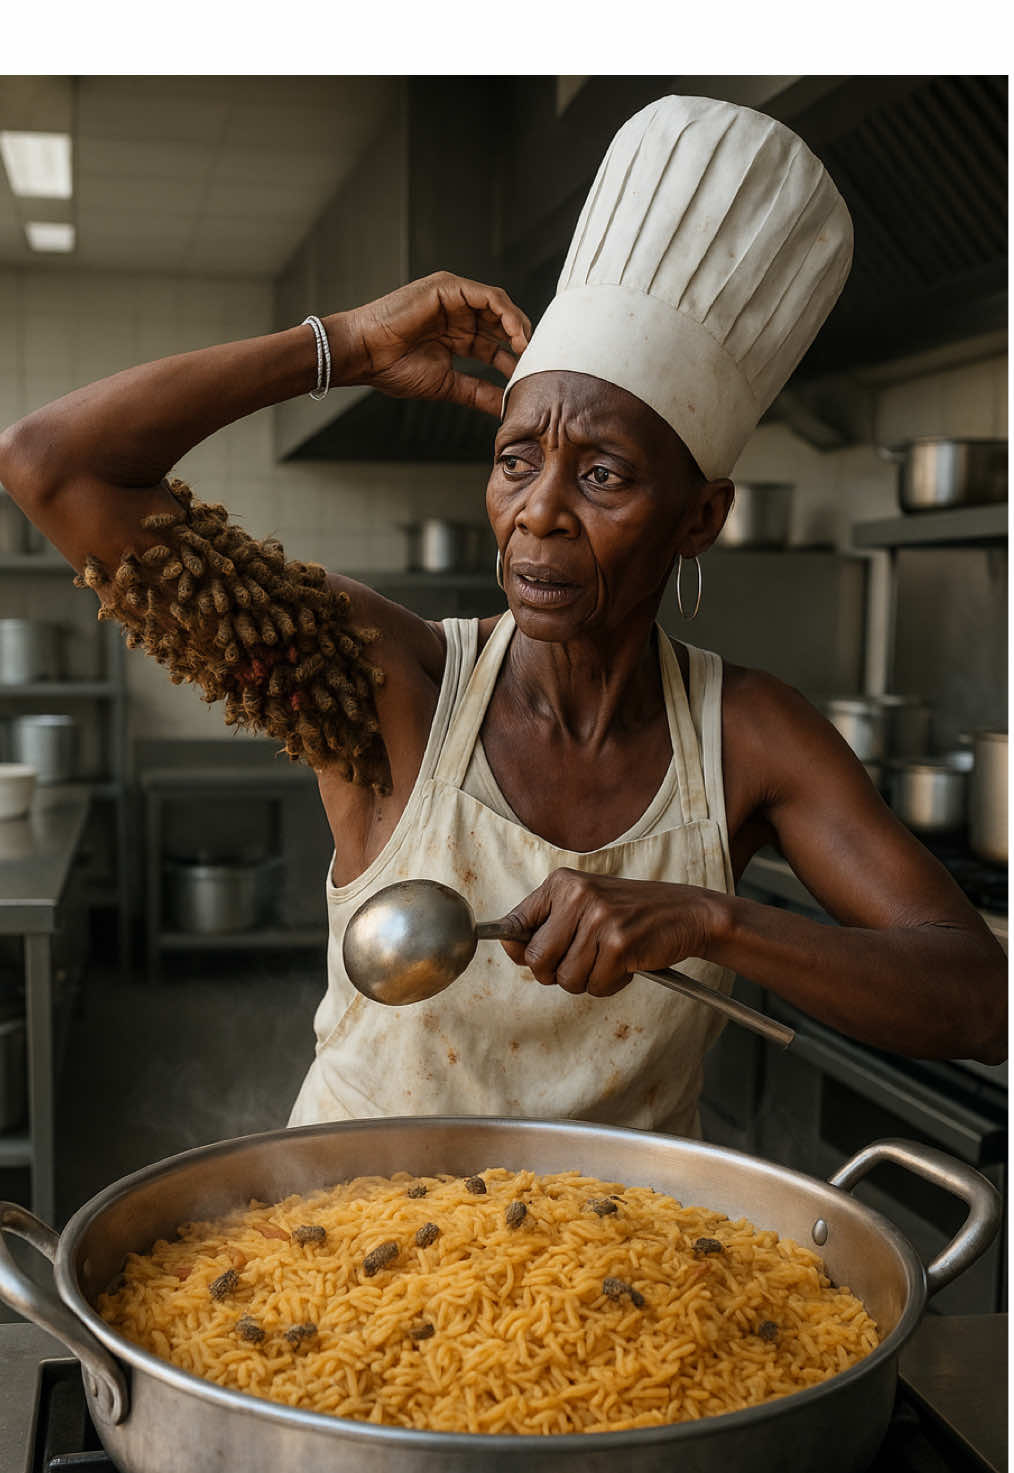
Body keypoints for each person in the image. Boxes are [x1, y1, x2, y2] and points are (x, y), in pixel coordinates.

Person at [0, 96, 1004, 1137]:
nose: (540, 512)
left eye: (604, 474)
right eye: (517, 460)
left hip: (620, 1263)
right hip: (351, 1244)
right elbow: (53, 465)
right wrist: (338, 343)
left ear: (699, 517)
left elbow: (980, 999)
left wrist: (712, 919)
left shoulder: (748, 737)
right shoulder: (391, 684)